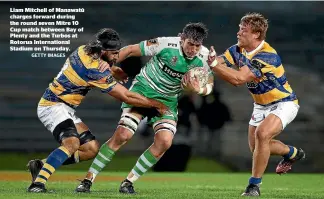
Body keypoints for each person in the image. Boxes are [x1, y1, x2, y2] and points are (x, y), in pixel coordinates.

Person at [76, 22, 214, 194]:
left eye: (197, 46)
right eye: (190, 44)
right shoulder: (165, 44)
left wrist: (193, 88)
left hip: (167, 101)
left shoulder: (205, 57)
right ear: (181, 38)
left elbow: (207, 87)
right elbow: (131, 50)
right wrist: (109, 63)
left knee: (165, 142)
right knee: (123, 135)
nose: (193, 49)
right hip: (143, 91)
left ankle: (128, 182)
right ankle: (88, 180)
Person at [27, 28, 168, 193]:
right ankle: (37, 184)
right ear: (103, 51)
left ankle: (41, 165)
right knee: (72, 144)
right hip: (52, 106)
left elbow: (103, 66)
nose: (117, 56)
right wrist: (155, 104)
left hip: (64, 107)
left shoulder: (83, 50)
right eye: (114, 53)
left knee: (91, 149)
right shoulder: (94, 70)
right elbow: (126, 97)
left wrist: (114, 70)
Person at [207, 13, 305, 196]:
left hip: (284, 103)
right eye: (239, 28)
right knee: (257, 148)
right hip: (260, 105)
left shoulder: (268, 56)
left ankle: (254, 186)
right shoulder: (238, 50)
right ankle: (292, 153)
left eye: (243, 30)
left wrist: (213, 66)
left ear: (256, 35)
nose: (238, 33)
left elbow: (238, 79)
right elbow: (219, 61)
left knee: (262, 135)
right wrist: (205, 62)